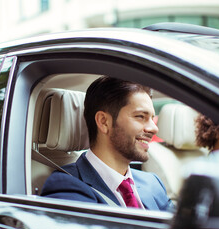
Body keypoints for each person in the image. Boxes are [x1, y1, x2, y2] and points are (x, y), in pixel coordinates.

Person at [41, 76, 173, 211]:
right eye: (140, 116)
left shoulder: (152, 182)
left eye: (152, 118)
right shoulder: (67, 186)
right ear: (104, 122)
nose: (154, 128)